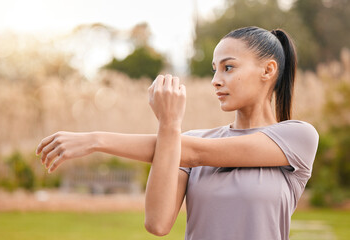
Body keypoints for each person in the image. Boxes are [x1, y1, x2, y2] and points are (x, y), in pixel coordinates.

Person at [36, 26, 319, 240]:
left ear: (268, 70)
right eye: (214, 70)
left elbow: (194, 153)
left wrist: (97, 140)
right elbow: (157, 223)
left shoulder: (298, 138)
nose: (215, 81)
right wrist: (168, 130)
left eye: (228, 67)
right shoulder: (192, 141)